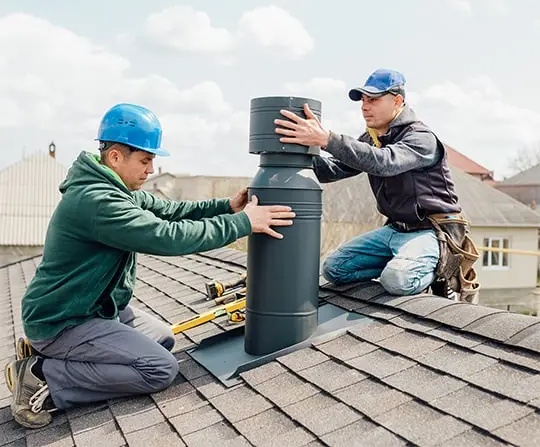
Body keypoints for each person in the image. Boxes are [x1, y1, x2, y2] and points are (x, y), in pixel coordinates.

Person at [5, 103, 296, 429]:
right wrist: (243, 223)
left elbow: (168, 212)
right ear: (115, 157)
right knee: (159, 369)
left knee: (163, 338)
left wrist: (227, 206)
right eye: (145, 160)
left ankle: (56, 356)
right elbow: (167, 236)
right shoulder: (99, 202)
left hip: (94, 310)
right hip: (64, 320)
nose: (150, 168)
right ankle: (44, 377)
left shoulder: (116, 189)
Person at [274, 68, 479, 299]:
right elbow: (334, 169)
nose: (364, 106)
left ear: (397, 100)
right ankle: (404, 263)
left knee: (398, 280)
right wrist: (289, 153)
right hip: (394, 229)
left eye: (373, 99)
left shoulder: (421, 138)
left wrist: (327, 139)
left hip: (432, 231)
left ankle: (443, 272)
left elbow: (384, 162)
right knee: (334, 269)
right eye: (363, 100)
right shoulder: (372, 138)